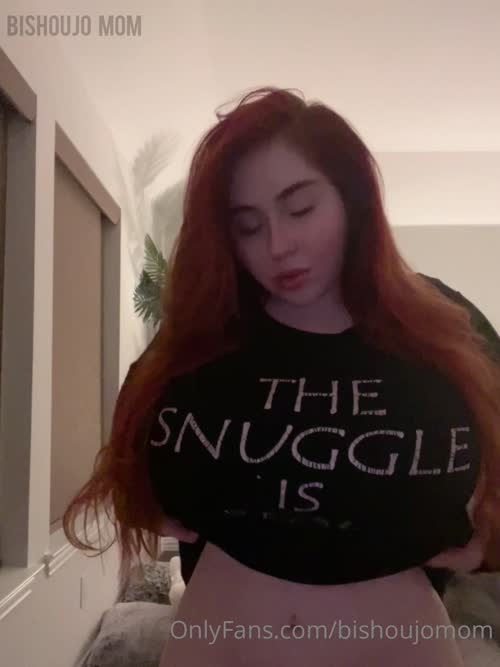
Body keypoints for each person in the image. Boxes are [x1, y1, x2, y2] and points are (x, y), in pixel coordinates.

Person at [63, 87, 500, 667]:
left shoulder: (440, 323)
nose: (278, 245)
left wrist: (492, 535)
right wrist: (137, 497)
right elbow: (130, 445)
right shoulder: (202, 334)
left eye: (300, 209)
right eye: (248, 225)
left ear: (352, 198)